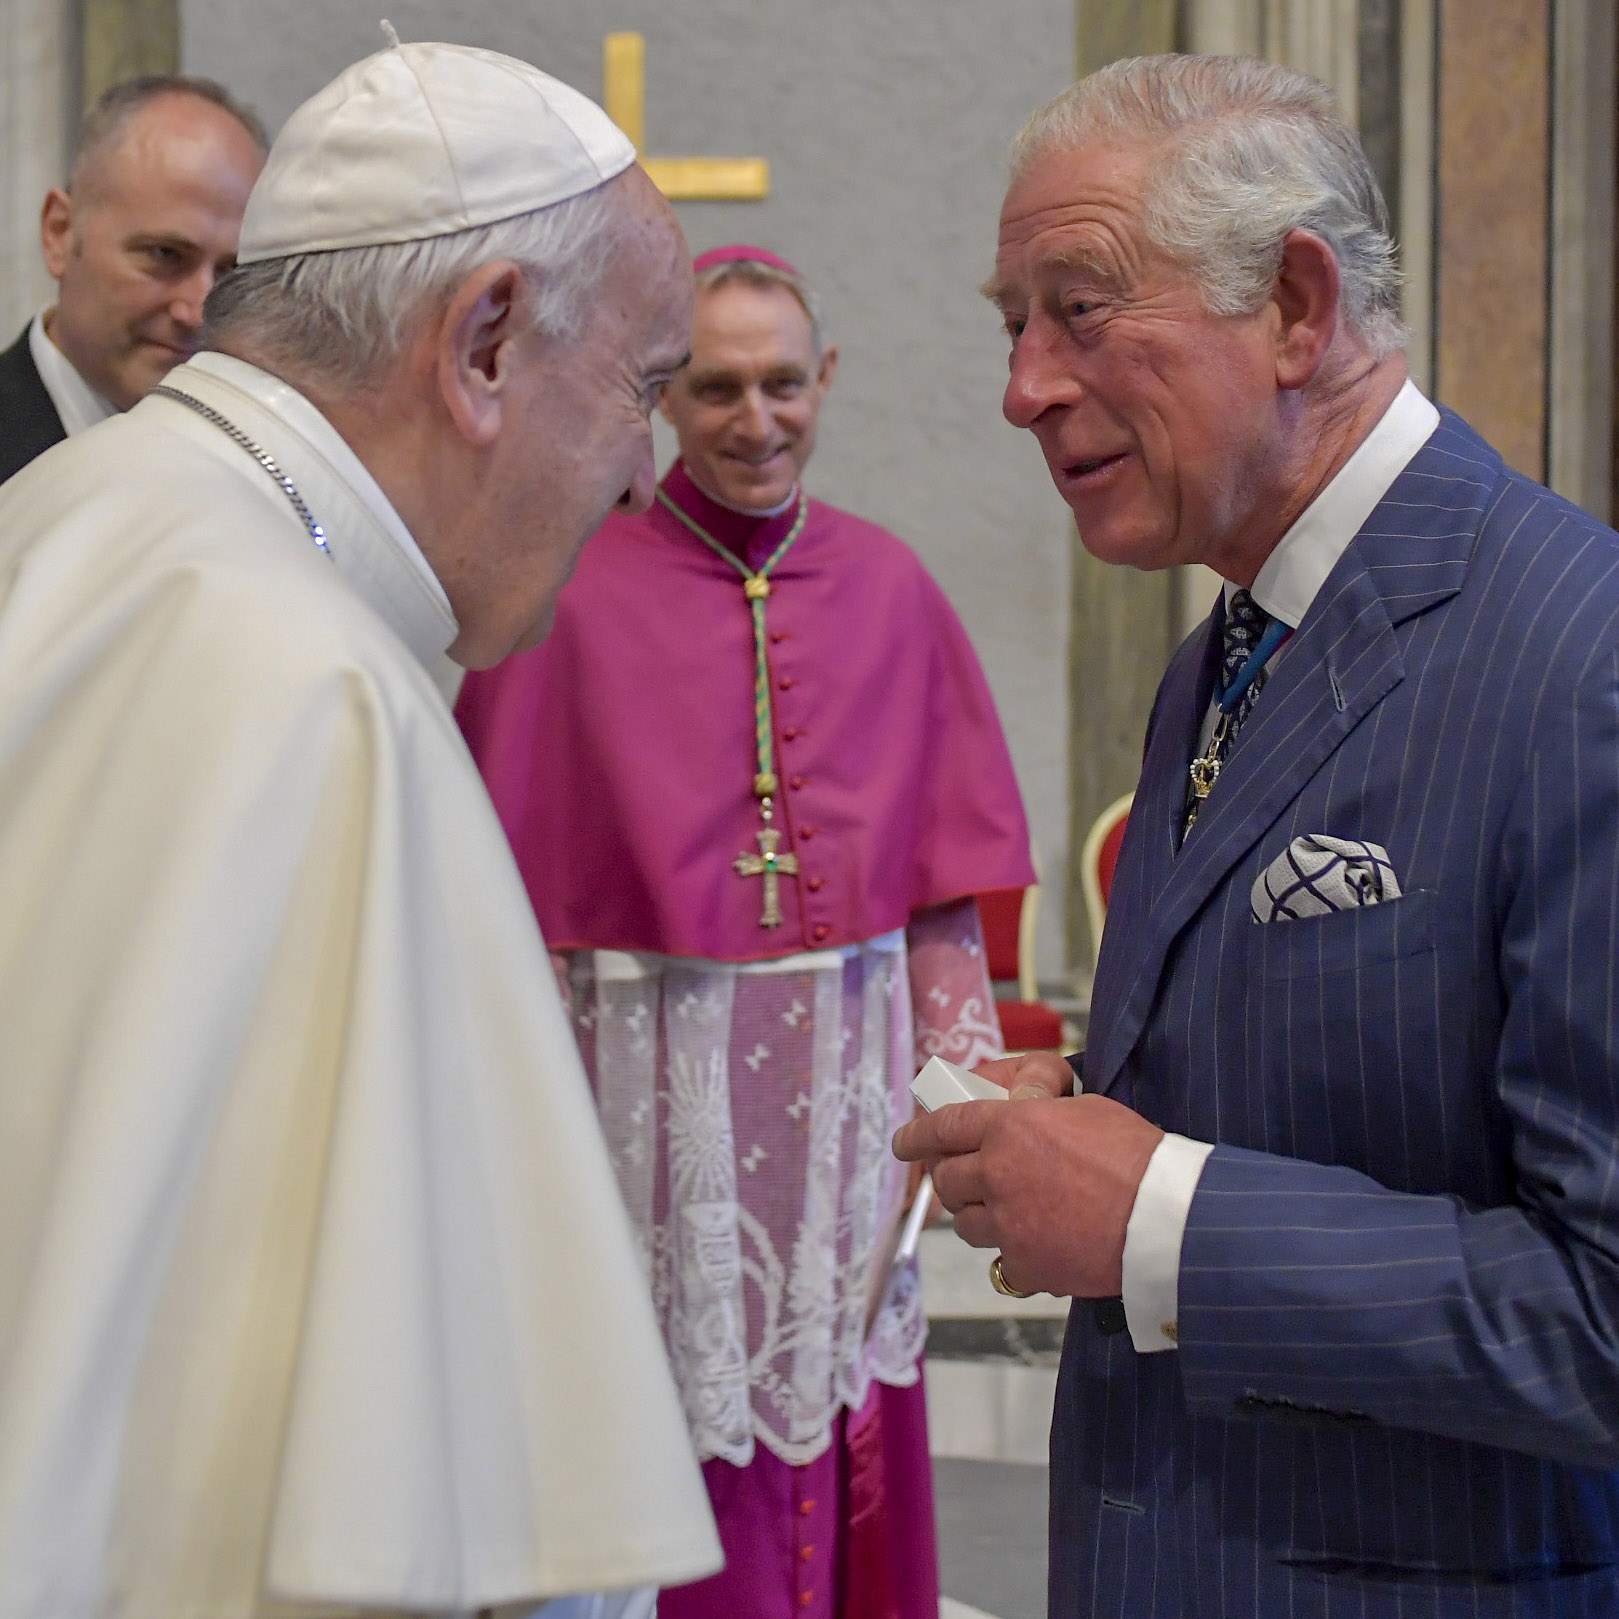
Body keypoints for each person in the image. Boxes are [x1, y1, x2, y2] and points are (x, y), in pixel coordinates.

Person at [0, 37, 723, 1619]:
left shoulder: (67, 520)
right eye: (641, 385)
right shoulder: (324, 695)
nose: (640, 470)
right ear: (482, 342)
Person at [894, 52, 1619, 1615]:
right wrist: (1081, 1118)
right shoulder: (1218, 655)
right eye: (1010, 322)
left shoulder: (1575, 657)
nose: (1021, 385)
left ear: (1294, 305)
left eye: (1077, 308)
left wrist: (1160, 1212)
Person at [455, 244, 1035, 1619]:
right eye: (715, 387)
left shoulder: (891, 588)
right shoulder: (570, 597)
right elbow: (511, 925)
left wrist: (960, 1104)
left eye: (782, 382)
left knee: (832, 1395)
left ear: (823, 379)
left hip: (841, 1119)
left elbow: (938, 900)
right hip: (647, 1119)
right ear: (665, 397)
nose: (753, 418)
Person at [0, 75, 265, 482]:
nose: (197, 312)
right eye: (165, 255)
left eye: (230, 272)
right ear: (60, 233)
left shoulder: (263, 470)